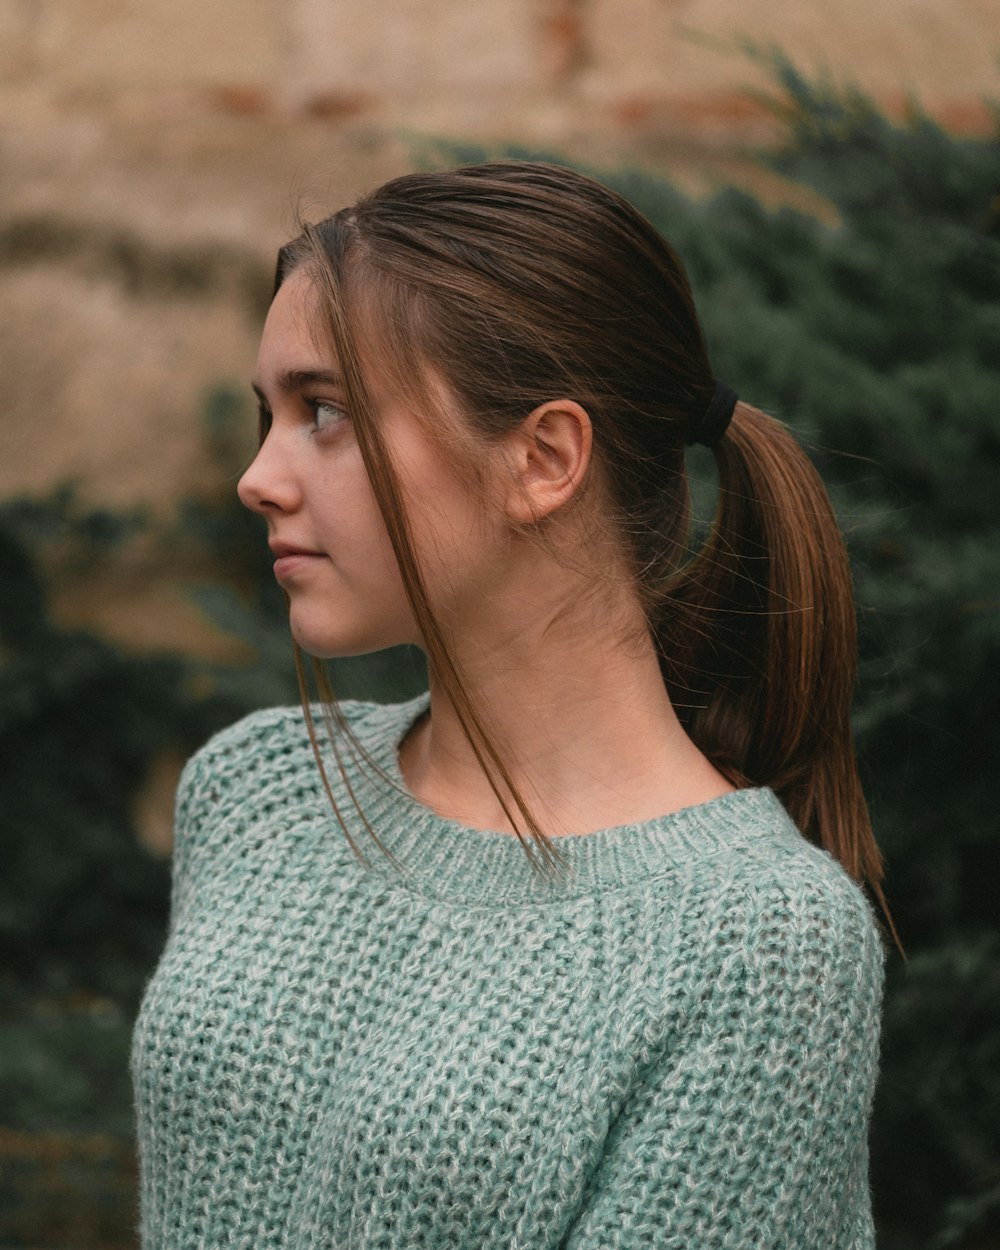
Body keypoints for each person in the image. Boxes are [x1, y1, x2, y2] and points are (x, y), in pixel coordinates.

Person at [131, 161, 888, 1248]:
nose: (259, 475)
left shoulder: (758, 942)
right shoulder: (259, 788)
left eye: (325, 411)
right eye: (270, 412)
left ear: (542, 459)